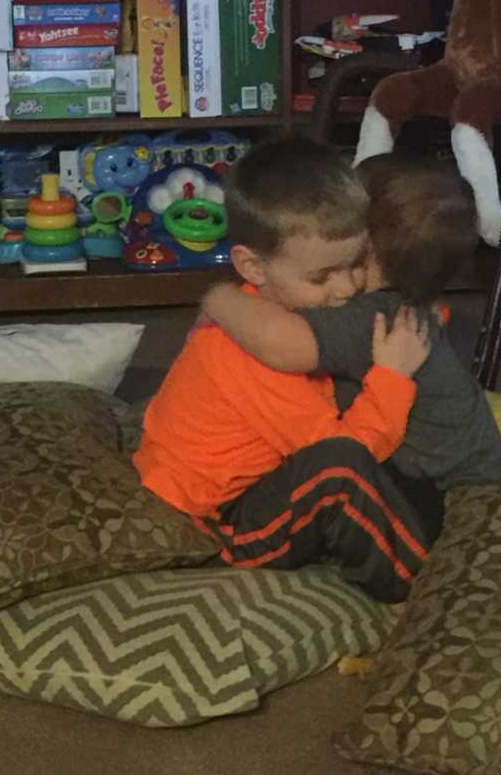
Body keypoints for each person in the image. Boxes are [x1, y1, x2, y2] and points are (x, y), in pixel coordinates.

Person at [134, 137, 440, 604]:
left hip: (264, 474)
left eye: (355, 266)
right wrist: (393, 377)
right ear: (252, 267)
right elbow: (346, 449)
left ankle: (433, 532)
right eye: (321, 278)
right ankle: (420, 592)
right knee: (340, 469)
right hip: (220, 521)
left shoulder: (276, 313)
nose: (345, 289)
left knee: (416, 473)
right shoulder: (251, 353)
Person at [202, 151, 501, 494]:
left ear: (366, 246)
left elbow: (281, 343)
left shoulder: (371, 317)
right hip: (469, 466)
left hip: (454, 493)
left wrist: (219, 298)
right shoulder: (404, 300)